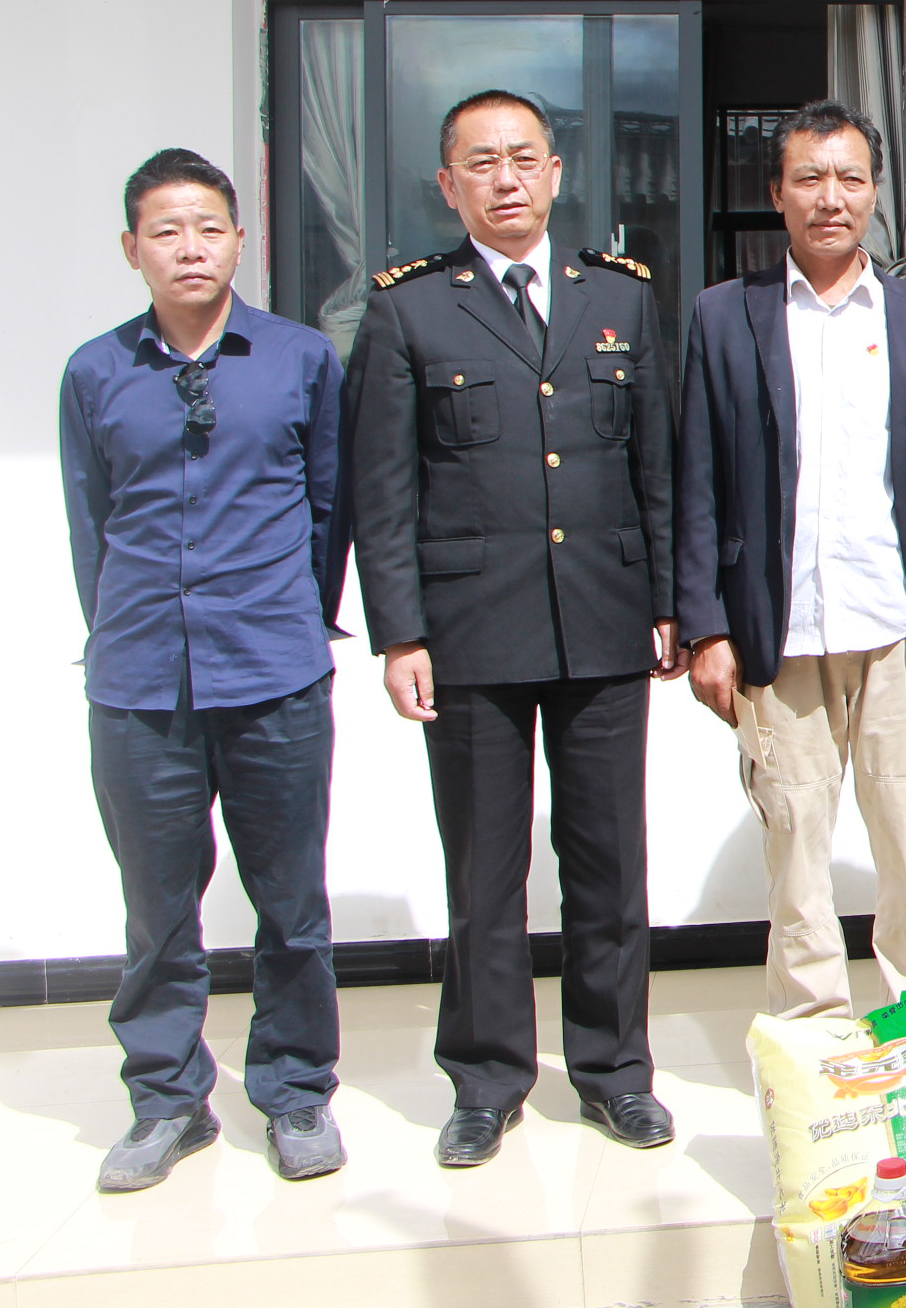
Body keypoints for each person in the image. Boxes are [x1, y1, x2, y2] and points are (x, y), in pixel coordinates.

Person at [343, 89, 683, 1166]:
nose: (506, 179)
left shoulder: (620, 295)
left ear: (556, 173)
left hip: (604, 623)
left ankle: (615, 1072)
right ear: (448, 184)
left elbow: (658, 465)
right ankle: (486, 1080)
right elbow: (381, 491)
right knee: (484, 871)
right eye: (481, 162)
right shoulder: (408, 310)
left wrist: (669, 603)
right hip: (470, 634)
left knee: (609, 863)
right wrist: (400, 635)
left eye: (524, 158)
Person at [59, 150, 349, 1192]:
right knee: (157, 909)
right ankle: (167, 1100)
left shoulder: (301, 359)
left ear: (239, 239)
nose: (190, 247)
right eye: (166, 230)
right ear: (131, 249)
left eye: (208, 227)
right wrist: (125, 628)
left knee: (292, 902)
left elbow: (329, 511)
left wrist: (288, 619)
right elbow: (91, 523)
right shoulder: (96, 372)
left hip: (273, 673)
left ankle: (296, 1090)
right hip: (139, 683)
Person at [676, 101, 906, 1018]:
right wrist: (704, 627)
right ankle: (813, 1048)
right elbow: (696, 482)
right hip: (780, 635)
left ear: (875, 192)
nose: (831, 197)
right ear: (776, 192)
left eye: (850, 178)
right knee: (796, 856)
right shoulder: (725, 317)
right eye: (809, 178)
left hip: (898, 635)